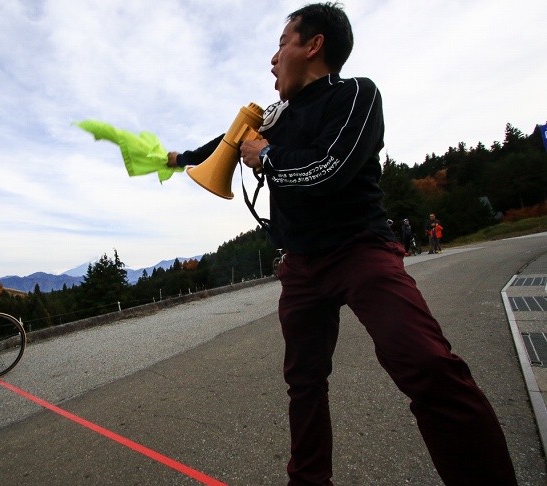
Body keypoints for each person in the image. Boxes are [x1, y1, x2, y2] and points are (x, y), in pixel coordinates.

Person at [168, 3, 517, 485]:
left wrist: (267, 158)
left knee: (429, 367)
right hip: (300, 267)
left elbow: (329, 168)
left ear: (314, 45)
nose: (271, 60)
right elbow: (223, 144)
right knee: (303, 385)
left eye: (281, 44)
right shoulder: (275, 115)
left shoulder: (355, 94)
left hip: (360, 251)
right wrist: (177, 158)